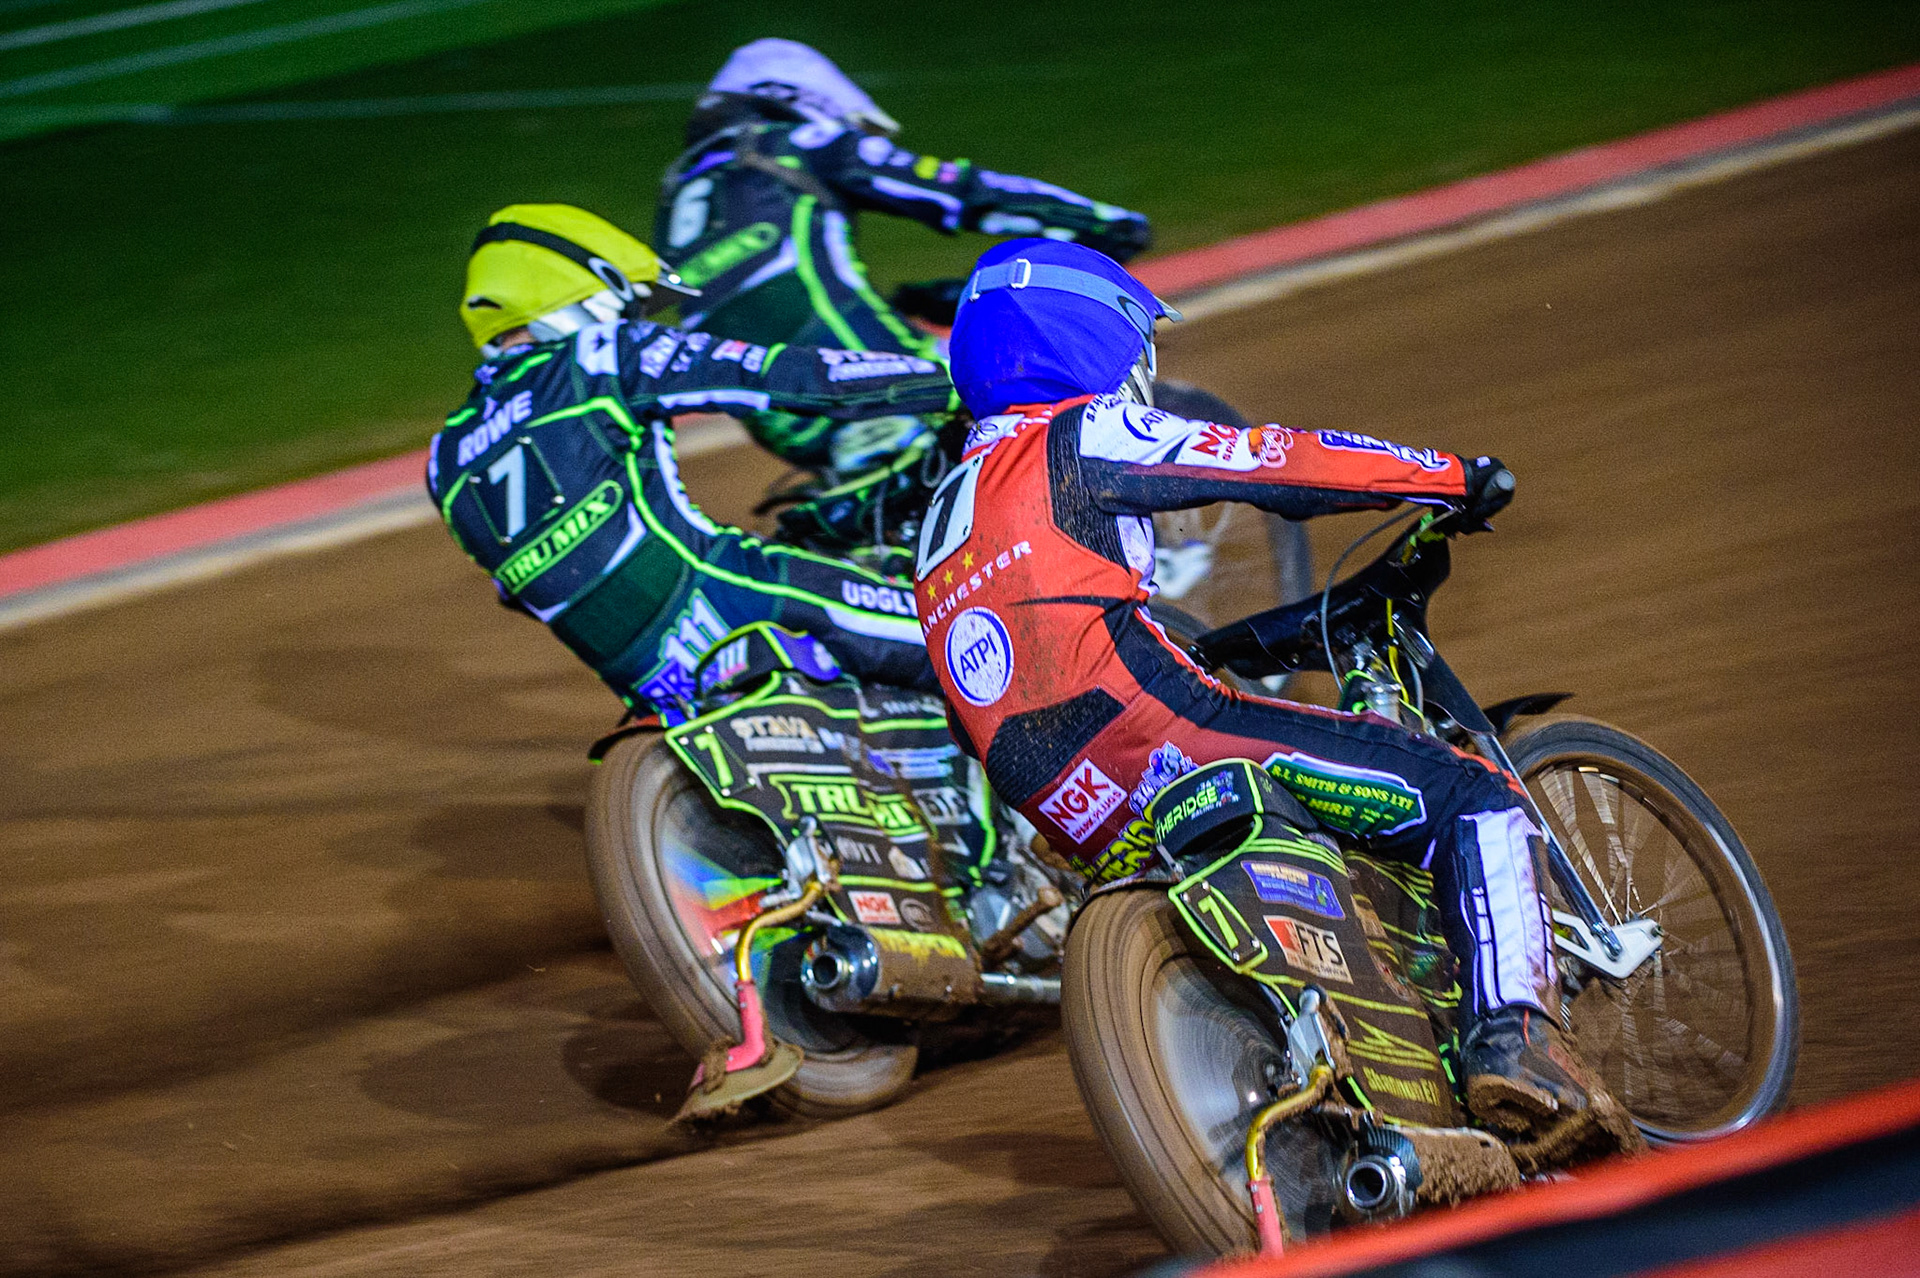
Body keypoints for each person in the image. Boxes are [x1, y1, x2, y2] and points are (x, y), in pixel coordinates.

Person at [914, 237, 1638, 1155]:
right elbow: (1271, 462)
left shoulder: (941, 523)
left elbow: (999, 676)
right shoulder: (1079, 436)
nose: (1142, 371)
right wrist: (1447, 476)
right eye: (1138, 346)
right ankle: (1517, 1040)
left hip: (1075, 812)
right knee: (1471, 796)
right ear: (1082, 336)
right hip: (1172, 734)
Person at [430, 203, 956, 723]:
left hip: (645, 678)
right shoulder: (600, 354)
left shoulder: (446, 454)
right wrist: (955, 385)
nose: (634, 320)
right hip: (735, 596)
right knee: (967, 642)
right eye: (629, 304)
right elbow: (783, 376)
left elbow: (521, 592)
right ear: (590, 288)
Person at [653, 37, 1152, 475]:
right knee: (1054, 398)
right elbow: (961, 191)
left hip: (775, 414)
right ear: (796, 97)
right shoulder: (798, 142)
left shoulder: (679, 190)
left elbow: (750, 295)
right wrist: (1099, 221)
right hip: (869, 367)